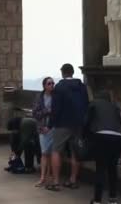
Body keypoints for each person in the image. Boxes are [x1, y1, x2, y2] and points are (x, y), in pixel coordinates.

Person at [46, 63, 89, 192]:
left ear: (63, 73)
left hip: (62, 123)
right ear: (72, 72)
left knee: (56, 151)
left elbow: (55, 109)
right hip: (78, 124)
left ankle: (56, 182)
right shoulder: (82, 87)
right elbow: (86, 104)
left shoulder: (59, 87)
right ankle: (73, 180)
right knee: (75, 151)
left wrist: (50, 124)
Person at [86, 91, 121, 204]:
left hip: (102, 137)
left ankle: (97, 200)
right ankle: (113, 199)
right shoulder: (114, 107)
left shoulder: (93, 104)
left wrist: (85, 138)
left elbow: (86, 123)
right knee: (112, 168)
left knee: (100, 169)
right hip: (119, 139)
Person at [32, 77, 55, 187]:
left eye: (52, 83)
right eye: (49, 83)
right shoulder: (39, 97)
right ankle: (43, 177)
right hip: (42, 128)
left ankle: (49, 176)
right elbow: (35, 113)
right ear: (44, 86)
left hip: (53, 128)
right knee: (44, 153)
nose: (51, 85)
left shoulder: (56, 97)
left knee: (51, 153)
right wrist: (47, 111)